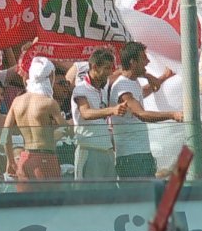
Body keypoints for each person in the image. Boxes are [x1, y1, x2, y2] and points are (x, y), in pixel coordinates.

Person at [108, 43, 180, 179]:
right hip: (131, 156)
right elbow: (141, 114)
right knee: (137, 198)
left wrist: (161, 78)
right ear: (132, 62)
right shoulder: (122, 86)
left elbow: (141, 94)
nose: (148, 61)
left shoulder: (132, 82)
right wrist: (173, 114)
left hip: (142, 153)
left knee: (148, 197)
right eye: (143, 58)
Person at [0, 56, 65, 184]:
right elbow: (67, 130)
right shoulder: (49, 103)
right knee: (51, 202)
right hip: (46, 158)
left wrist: (10, 160)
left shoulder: (17, 101)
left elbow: (4, 134)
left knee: (26, 202)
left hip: (25, 158)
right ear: (50, 76)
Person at [71, 50, 119, 182]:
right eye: (107, 68)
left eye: (111, 68)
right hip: (89, 149)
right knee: (89, 197)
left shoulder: (103, 89)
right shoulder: (80, 89)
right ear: (94, 67)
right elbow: (85, 113)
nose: (110, 72)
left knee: (109, 196)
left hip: (107, 150)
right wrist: (112, 110)